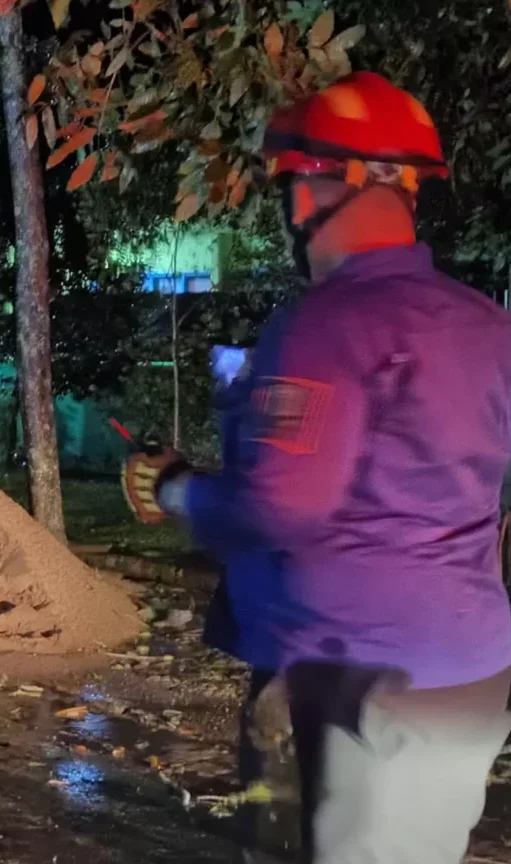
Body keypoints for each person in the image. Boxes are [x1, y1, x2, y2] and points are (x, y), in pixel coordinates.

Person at [123, 72, 511, 864]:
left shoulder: (324, 325)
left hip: (346, 677)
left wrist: (174, 488)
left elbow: (279, 509)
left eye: (296, 182)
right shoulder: (483, 321)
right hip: (466, 673)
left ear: (333, 188)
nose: (292, 206)